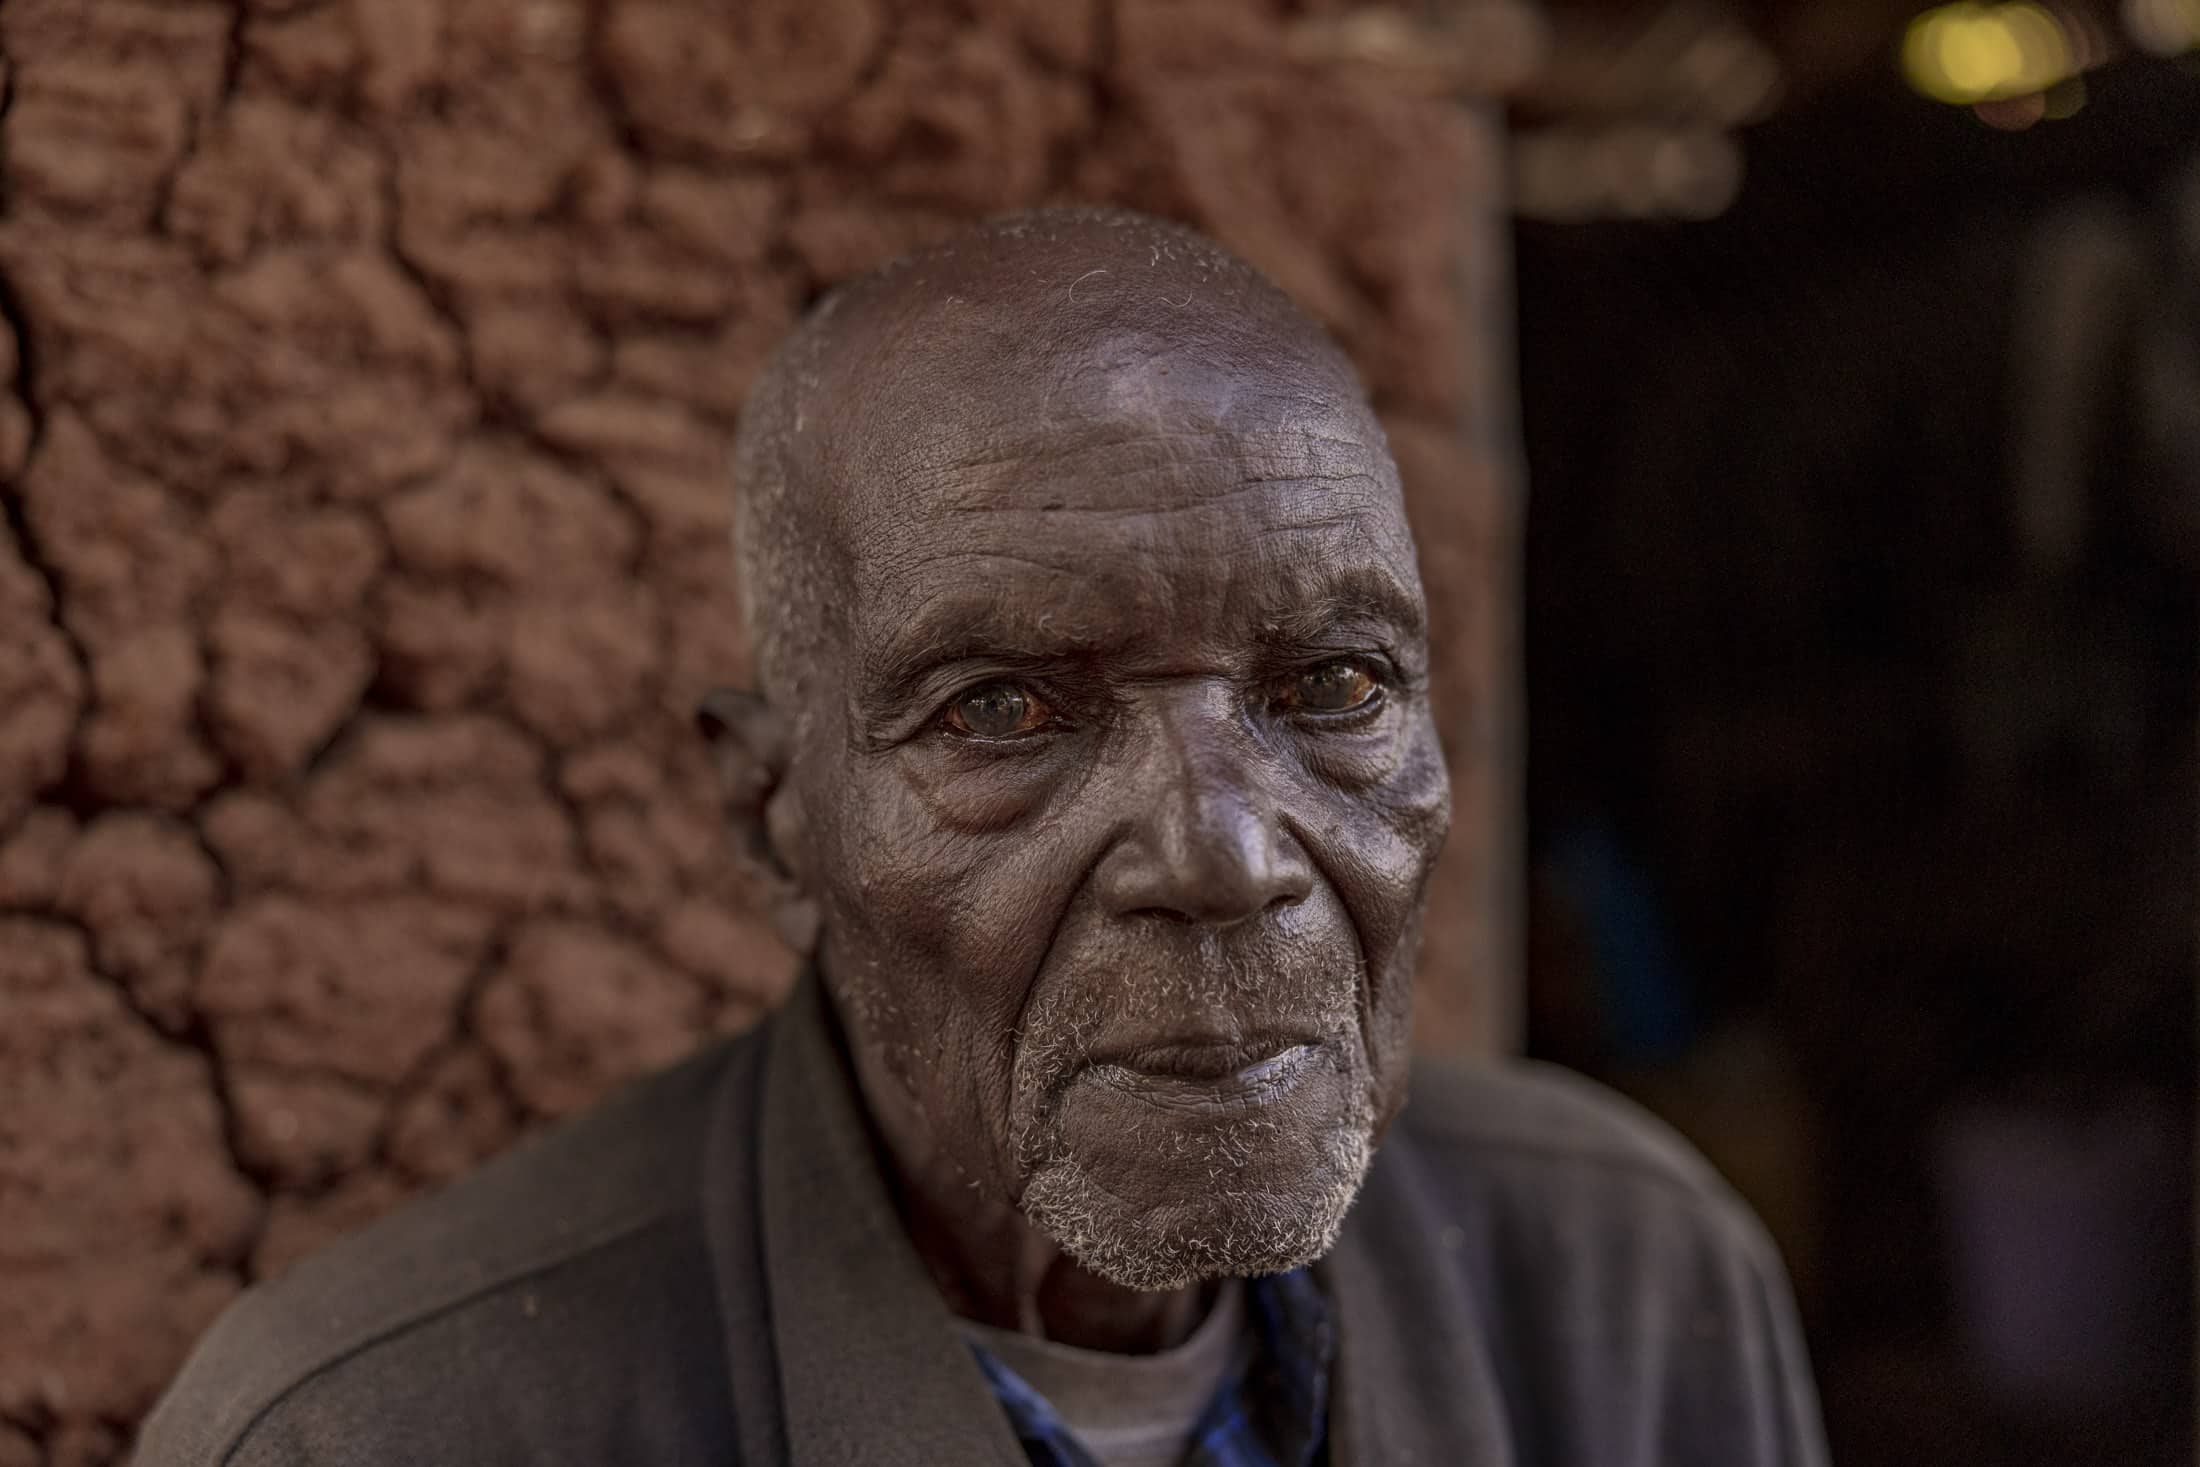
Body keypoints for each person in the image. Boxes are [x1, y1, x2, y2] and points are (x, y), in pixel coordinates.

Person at [137, 208, 1827, 1466]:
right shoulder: (385, 1433)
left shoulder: (1629, 1288)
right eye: (1005, 712)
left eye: (1332, 684)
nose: (1225, 855)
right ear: (774, 819)